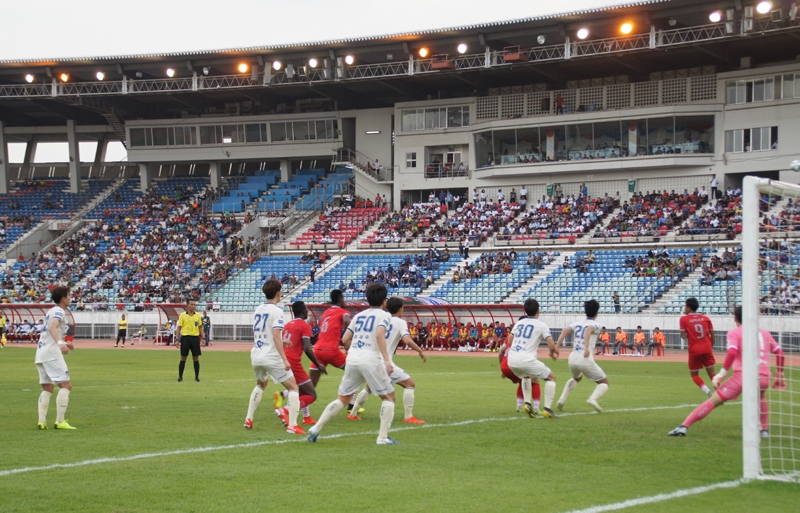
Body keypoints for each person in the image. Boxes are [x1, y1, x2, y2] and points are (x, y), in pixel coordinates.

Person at [668, 306, 785, 437]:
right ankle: (764, 430)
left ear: (735, 318)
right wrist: (780, 375)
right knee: (761, 397)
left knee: (713, 401)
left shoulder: (735, 333)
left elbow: (732, 352)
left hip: (743, 376)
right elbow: (780, 353)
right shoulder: (764, 333)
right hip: (763, 377)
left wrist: (722, 373)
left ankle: (684, 426)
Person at [307, 284, 398, 444]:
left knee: (342, 399)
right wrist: (387, 360)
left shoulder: (359, 315)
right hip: (370, 360)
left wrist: (353, 350)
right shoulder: (385, 315)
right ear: (384, 301)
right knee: (389, 397)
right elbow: (379, 335)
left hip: (353, 359)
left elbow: (345, 339)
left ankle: (316, 428)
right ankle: (382, 437)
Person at [349, 297, 427, 424]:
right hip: (385, 362)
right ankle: (408, 417)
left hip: (371, 359)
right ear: (401, 309)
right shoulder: (400, 322)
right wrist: (420, 351)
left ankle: (352, 414)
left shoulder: (381, 319)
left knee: (370, 387)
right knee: (410, 384)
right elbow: (407, 340)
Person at [244, 279, 305, 434]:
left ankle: (249, 418)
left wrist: (280, 341)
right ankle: (292, 425)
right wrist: (284, 358)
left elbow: (265, 333)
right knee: (293, 387)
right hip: (270, 356)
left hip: (256, 354)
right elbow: (276, 335)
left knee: (261, 385)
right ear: (279, 293)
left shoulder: (258, 309)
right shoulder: (277, 311)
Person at [274, 301, 327, 426]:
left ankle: (306, 417)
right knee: (311, 394)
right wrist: (318, 364)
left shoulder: (287, 325)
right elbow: (307, 348)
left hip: (282, 360)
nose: (307, 312)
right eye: (306, 310)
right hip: (292, 362)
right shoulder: (304, 326)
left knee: (298, 391)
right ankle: (285, 410)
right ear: (303, 311)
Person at [506, 299, 559, 419]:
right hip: (526, 359)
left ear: (525, 310)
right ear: (538, 311)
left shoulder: (519, 323)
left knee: (526, 376)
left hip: (512, 359)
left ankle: (527, 403)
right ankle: (547, 409)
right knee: (551, 377)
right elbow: (551, 345)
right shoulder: (542, 325)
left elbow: (510, 341)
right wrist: (553, 353)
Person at [554, 299, 610, 413]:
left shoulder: (577, 323)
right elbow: (589, 330)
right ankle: (593, 399)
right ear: (597, 312)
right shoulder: (597, 325)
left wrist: (557, 347)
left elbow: (565, 331)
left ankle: (561, 400)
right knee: (604, 382)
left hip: (573, 358)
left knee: (577, 378)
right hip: (585, 358)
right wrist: (585, 347)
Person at [35, 286, 76, 430]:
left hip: (41, 352)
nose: (71, 298)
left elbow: (49, 332)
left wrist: (64, 342)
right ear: (63, 298)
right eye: (69, 295)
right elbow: (53, 328)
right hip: (51, 353)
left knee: (47, 387)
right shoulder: (59, 311)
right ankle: (60, 421)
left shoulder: (51, 310)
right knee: (66, 385)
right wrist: (60, 343)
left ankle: (42, 422)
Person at [680, 297, 717, 397]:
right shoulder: (705, 318)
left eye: (685, 306)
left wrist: (687, 334)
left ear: (688, 308)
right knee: (712, 373)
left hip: (694, 349)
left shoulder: (684, 319)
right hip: (707, 348)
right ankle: (720, 393)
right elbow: (712, 334)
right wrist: (711, 345)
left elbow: (683, 336)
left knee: (694, 375)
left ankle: (708, 392)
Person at [176, 299, 204, 382]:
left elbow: (200, 327)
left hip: (195, 338)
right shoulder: (182, 315)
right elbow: (179, 327)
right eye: (192, 304)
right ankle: (180, 377)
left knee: (196, 358)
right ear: (187, 305)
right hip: (185, 338)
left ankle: (196, 377)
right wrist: (177, 339)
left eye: (195, 305)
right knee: (183, 358)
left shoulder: (198, 315)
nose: (193, 306)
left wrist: (203, 338)